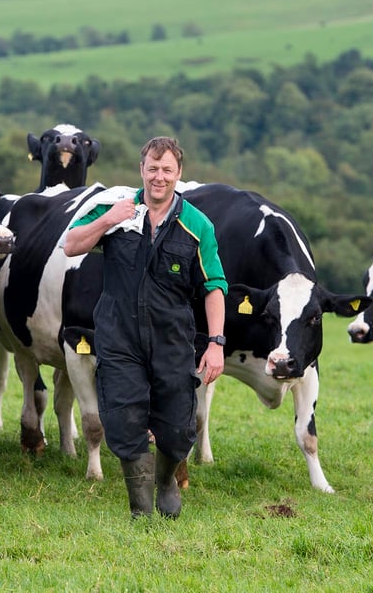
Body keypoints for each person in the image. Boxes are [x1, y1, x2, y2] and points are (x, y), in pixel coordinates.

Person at [63, 136, 227, 520]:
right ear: (141, 170)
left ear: (179, 174)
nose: (159, 177)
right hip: (119, 335)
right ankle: (141, 509)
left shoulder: (196, 224)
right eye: (152, 169)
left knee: (176, 425)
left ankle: (167, 480)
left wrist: (216, 342)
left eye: (167, 170)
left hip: (171, 339)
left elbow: (215, 286)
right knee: (124, 417)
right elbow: (71, 246)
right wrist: (107, 219)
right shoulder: (116, 211)